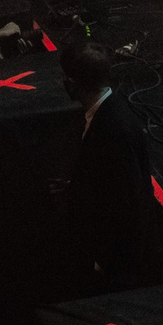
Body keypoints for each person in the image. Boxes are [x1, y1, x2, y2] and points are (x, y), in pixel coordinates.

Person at [55, 43, 153, 288]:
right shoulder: (108, 112)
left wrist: (107, 260)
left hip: (118, 260)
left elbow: (128, 202)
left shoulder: (112, 130)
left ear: (72, 83)